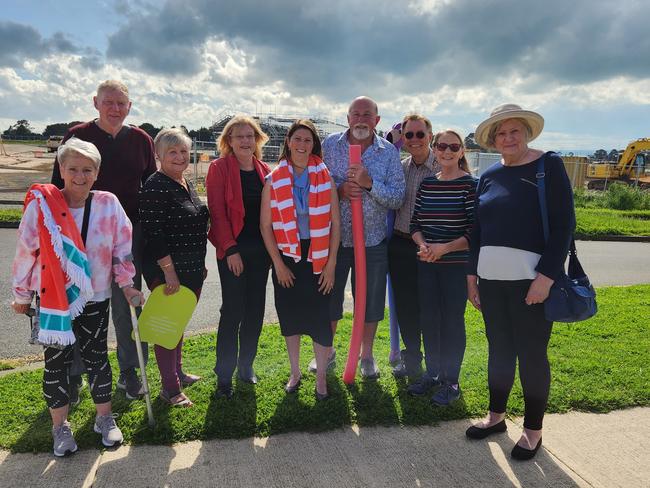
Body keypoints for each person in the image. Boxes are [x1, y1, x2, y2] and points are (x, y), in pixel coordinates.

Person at [12, 138, 144, 456]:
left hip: (95, 297)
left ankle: (104, 419)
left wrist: (127, 284)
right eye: (73, 169)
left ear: (97, 173)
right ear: (61, 169)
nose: (80, 176)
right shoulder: (42, 205)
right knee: (55, 363)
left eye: (87, 170)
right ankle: (60, 427)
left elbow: (121, 250)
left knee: (98, 358)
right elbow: (26, 249)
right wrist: (21, 294)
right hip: (53, 300)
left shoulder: (108, 204)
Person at [465, 104, 575, 460]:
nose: (508, 138)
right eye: (501, 133)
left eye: (515, 131)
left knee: (530, 355)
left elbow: (563, 227)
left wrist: (546, 277)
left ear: (526, 133)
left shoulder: (548, 166)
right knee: (498, 350)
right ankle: (496, 417)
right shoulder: (489, 175)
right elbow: (477, 231)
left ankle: (532, 430)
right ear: (493, 140)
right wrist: (471, 276)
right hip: (491, 282)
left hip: (531, 284)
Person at [51, 80, 156, 401]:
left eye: (121, 103)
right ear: (95, 102)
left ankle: (129, 372)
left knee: (127, 304)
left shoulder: (141, 140)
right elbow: (57, 187)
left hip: (127, 235)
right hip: (82, 233)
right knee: (82, 304)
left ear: (130, 106)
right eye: (108, 102)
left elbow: (149, 186)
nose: (115, 109)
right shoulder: (77, 135)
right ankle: (75, 374)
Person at [320, 96, 405, 378]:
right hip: (334, 240)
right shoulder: (329, 145)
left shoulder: (388, 153)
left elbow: (397, 197)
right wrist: (340, 191)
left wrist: (369, 184)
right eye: (355, 114)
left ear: (377, 120)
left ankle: (366, 356)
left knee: (369, 301)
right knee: (329, 297)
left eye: (367, 114)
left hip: (372, 242)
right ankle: (327, 351)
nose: (360, 119)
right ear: (347, 118)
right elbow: (316, 183)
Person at [260, 120, 341, 400]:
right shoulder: (274, 178)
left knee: (320, 318)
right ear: (289, 142)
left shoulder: (326, 177)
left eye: (308, 140)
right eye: (297, 139)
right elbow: (265, 226)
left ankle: (320, 378)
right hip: (287, 258)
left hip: (318, 257)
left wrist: (330, 265)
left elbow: (336, 224)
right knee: (291, 318)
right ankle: (295, 372)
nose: (302, 144)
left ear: (313, 144)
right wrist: (279, 264)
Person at [140, 128, 209, 407]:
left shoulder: (184, 182)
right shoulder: (156, 185)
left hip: (191, 268)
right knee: (167, 326)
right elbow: (153, 233)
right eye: (173, 152)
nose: (180, 157)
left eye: (183, 151)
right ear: (159, 156)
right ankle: (170, 389)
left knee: (177, 322)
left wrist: (199, 265)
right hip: (168, 270)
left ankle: (177, 372)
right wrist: (168, 271)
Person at [408, 130, 477, 404]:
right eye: (442, 146)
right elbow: (415, 224)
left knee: (451, 323)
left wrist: (445, 248)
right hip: (427, 264)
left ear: (461, 152)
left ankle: (452, 382)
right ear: (434, 149)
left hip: (455, 267)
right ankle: (433, 374)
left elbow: (475, 231)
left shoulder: (470, 185)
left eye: (453, 147)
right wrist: (423, 245)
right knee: (429, 320)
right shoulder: (427, 184)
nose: (447, 151)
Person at [206, 116, 271, 399]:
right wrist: (230, 249)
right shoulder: (219, 169)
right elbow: (217, 213)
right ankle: (224, 376)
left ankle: (246, 366)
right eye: (239, 136)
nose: (245, 141)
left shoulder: (264, 170)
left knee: (255, 311)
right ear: (229, 141)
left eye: (250, 136)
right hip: (233, 251)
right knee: (233, 311)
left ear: (257, 140)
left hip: (261, 252)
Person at [388, 114, 439, 379]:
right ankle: (412, 360)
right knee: (406, 306)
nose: (415, 139)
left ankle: (435, 363)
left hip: (432, 249)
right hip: (400, 244)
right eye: (409, 135)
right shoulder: (400, 168)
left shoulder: (442, 167)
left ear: (430, 135)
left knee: (430, 306)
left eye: (420, 134)